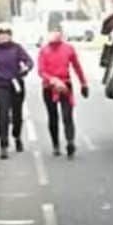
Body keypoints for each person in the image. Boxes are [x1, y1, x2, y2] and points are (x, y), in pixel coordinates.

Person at [0, 24, 34, 160]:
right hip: (1, 86)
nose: (3, 37)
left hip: (16, 84)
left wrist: (26, 68)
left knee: (17, 115)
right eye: (0, 35)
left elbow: (29, 61)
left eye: (6, 35)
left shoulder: (17, 48)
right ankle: (3, 145)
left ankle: (17, 136)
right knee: (3, 114)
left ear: (10, 36)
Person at [37, 24, 90, 158]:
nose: (55, 35)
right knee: (53, 116)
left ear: (61, 34)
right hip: (49, 88)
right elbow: (41, 71)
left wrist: (83, 83)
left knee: (67, 115)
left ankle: (70, 141)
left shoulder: (68, 49)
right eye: (52, 32)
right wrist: (52, 80)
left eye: (57, 32)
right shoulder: (44, 51)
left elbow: (77, 66)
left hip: (65, 85)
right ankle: (55, 144)